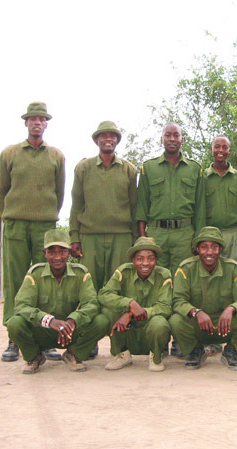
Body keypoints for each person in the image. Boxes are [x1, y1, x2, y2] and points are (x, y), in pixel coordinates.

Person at [0, 101, 65, 363]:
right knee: (15, 280)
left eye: (42, 119)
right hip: (15, 224)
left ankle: (44, 338)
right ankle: (15, 336)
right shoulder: (9, 154)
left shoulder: (56, 156)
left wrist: (46, 215)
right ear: (26, 123)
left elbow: (58, 194)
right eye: (33, 119)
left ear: (47, 124)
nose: (37, 123)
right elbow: (0, 191)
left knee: (45, 281)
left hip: (45, 227)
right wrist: (9, 216)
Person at [69, 121, 138, 360]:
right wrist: (74, 237)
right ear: (96, 140)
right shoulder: (84, 169)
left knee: (118, 291)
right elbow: (76, 204)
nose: (108, 139)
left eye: (112, 136)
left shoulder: (129, 170)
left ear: (117, 141)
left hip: (121, 238)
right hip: (90, 237)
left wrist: (135, 241)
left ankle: (119, 345)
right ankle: (89, 342)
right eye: (103, 136)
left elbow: (134, 206)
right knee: (90, 291)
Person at [6, 229, 109, 374]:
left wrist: (73, 320)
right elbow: (22, 306)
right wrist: (50, 321)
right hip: (44, 330)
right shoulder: (35, 274)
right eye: (52, 252)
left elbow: (91, 304)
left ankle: (74, 354)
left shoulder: (81, 273)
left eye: (62, 252)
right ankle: (34, 356)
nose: (57, 257)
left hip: (70, 331)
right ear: (44, 253)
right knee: (14, 323)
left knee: (102, 320)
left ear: (69, 253)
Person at [169, 227, 237, 370]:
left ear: (221, 249)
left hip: (225, 326)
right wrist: (196, 312)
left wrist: (232, 308)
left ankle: (232, 350)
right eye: (204, 247)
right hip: (198, 326)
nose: (209, 252)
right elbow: (177, 301)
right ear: (197, 249)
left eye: (214, 247)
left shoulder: (232, 268)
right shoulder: (186, 269)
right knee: (175, 320)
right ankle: (195, 350)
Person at [136, 122, 206, 275]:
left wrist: (198, 238)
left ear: (183, 139)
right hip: (156, 234)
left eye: (176, 135)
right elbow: (142, 205)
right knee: (155, 277)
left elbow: (200, 207)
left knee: (183, 276)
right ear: (161, 139)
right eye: (167, 135)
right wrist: (143, 237)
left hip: (184, 235)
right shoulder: (148, 168)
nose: (172, 139)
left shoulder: (195, 168)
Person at [98, 237, 172, 372]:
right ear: (133, 260)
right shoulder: (124, 271)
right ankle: (122, 354)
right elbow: (104, 295)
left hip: (150, 327)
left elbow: (165, 307)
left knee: (160, 322)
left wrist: (131, 314)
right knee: (108, 312)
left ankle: (155, 356)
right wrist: (129, 303)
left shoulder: (164, 275)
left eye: (151, 258)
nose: (145, 263)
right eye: (140, 258)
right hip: (128, 331)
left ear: (156, 260)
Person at [204, 135, 237, 265]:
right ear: (211, 149)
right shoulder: (203, 177)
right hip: (210, 234)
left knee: (234, 274)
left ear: (229, 151)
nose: (220, 150)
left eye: (224, 147)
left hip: (234, 234)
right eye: (217, 147)